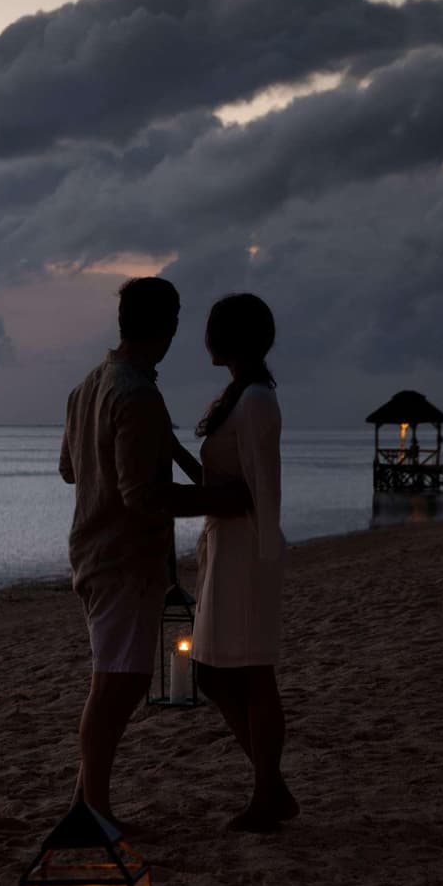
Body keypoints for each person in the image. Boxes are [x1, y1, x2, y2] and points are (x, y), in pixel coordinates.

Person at [58, 277, 249, 826]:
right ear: (169, 327)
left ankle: (86, 803)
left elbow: (69, 468)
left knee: (114, 679)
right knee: (118, 684)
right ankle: (94, 811)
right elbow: (143, 496)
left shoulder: (87, 387)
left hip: (92, 551)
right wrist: (222, 500)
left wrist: (163, 456)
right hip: (124, 559)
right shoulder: (136, 393)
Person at [189, 293, 294, 831]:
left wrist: (174, 502)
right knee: (210, 673)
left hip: (247, 551)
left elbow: (257, 493)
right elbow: (224, 483)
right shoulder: (242, 395)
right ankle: (272, 787)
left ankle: (267, 792)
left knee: (252, 672)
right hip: (226, 549)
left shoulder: (255, 400)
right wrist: (175, 457)